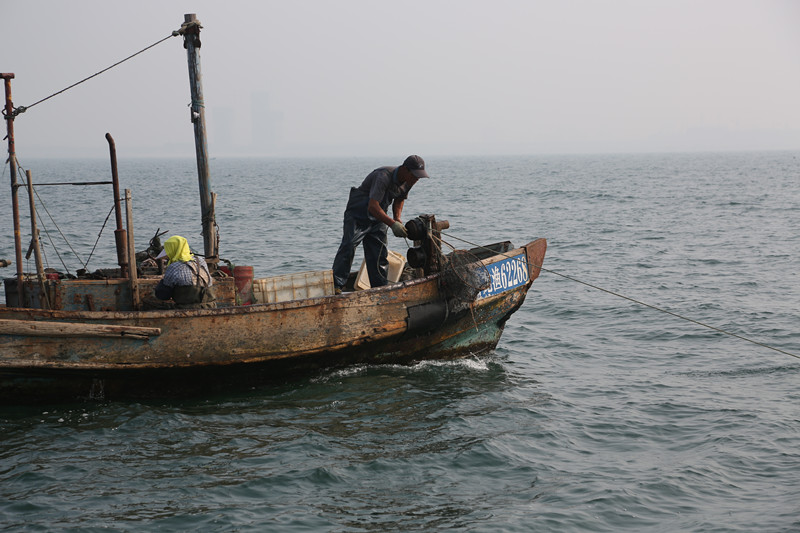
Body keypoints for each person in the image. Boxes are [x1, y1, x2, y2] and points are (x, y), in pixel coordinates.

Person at [332, 155, 429, 292]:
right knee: (349, 245)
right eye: (414, 176)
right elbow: (372, 206)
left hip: (379, 215)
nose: (416, 180)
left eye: (419, 177)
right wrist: (392, 224)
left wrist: (397, 219)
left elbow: (400, 199)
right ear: (404, 169)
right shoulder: (383, 176)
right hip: (358, 214)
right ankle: (337, 285)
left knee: (379, 253)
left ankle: (380, 289)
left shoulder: (409, 181)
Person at [153, 235, 216, 309]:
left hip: (186, 308)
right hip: (210, 306)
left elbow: (163, 295)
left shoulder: (174, 267)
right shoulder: (201, 261)